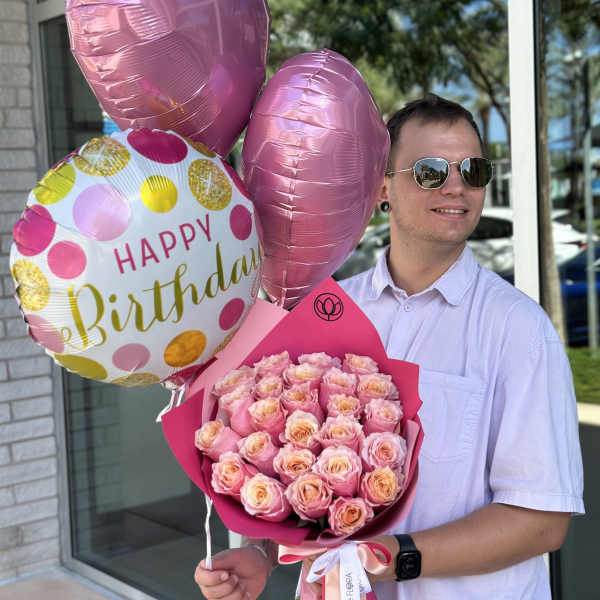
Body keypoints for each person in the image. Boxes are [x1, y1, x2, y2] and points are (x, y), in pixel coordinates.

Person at [194, 93, 585, 600]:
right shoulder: (330, 311)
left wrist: (389, 558)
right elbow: (295, 467)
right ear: (383, 187)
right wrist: (264, 553)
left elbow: (542, 521)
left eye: (473, 170)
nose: (456, 187)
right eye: (430, 172)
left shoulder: (519, 329)